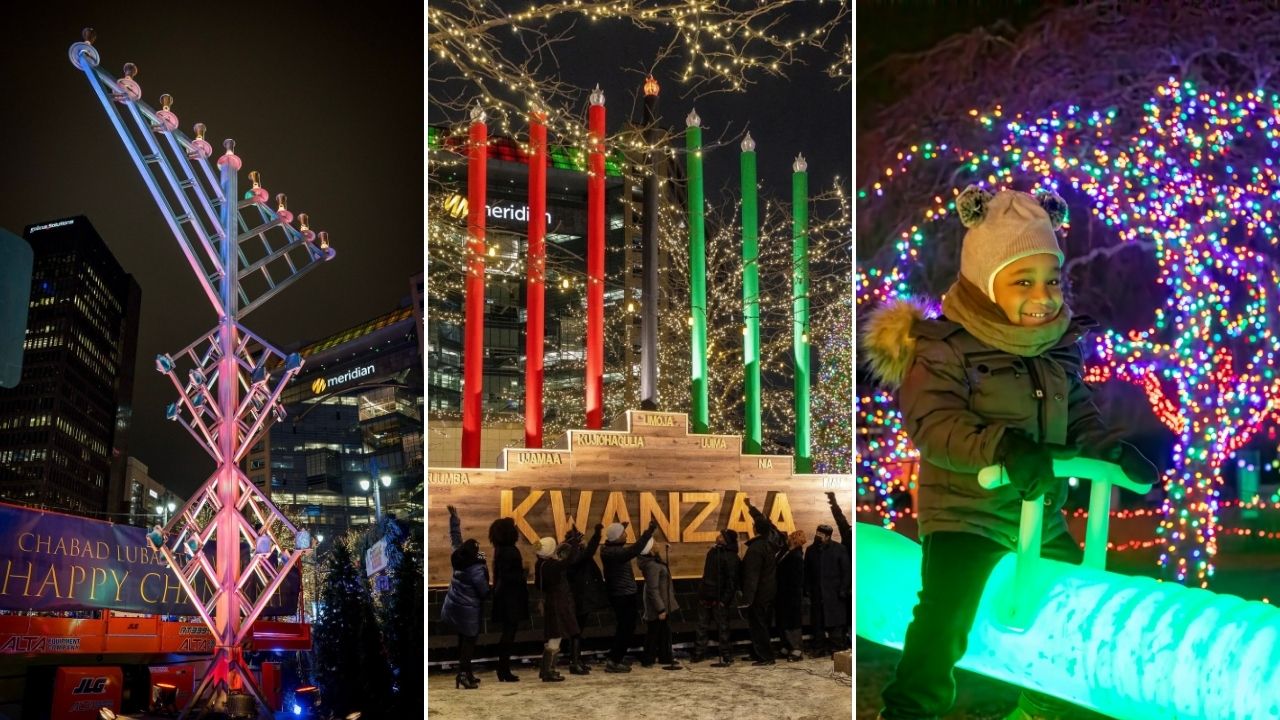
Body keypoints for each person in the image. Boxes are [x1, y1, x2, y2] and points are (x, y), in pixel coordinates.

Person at [864, 186, 1159, 720]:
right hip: (965, 515)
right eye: (1023, 281)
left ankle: (1040, 709)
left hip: (1039, 516)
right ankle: (911, 709)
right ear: (985, 281)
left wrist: (1110, 449)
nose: (1043, 296)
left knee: (1074, 613)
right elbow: (937, 425)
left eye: (1051, 280)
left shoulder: (1058, 346)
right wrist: (1003, 447)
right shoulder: (943, 347)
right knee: (945, 616)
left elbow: (1078, 415)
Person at [599, 517, 660, 673]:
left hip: (621, 594)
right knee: (626, 628)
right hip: (622, 595)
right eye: (624, 534)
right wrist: (648, 532)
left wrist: (621, 526)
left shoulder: (609, 549)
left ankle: (616, 656)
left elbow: (621, 543)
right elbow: (635, 549)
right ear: (618, 537)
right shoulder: (615, 553)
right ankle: (614, 661)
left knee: (624, 627)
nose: (626, 535)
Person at [441, 506, 488, 690]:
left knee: (462, 641)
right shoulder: (476, 568)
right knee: (469, 642)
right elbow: (483, 590)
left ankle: (466, 673)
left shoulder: (459, 557)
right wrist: (485, 567)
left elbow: (455, 538)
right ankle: (463, 675)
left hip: (454, 608)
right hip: (468, 610)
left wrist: (454, 520)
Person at [740, 498, 781, 666]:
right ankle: (761, 653)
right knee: (763, 625)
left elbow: (752, 576)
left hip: (758, 594)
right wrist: (751, 508)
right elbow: (768, 524)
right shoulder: (771, 544)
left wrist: (747, 599)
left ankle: (765, 656)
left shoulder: (756, 549)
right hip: (769, 591)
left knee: (759, 626)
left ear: (754, 529)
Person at [488, 517, 529, 682]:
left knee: (507, 633)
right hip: (512, 598)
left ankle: (503, 669)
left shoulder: (499, 549)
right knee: (509, 634)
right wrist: (523, 574)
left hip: (503, 597)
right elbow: (511, 576)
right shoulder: (511, 551)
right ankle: (504, 669)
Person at [691, 528, 740, 666]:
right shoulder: (712, 552)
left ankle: (726, 653)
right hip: (706, 594)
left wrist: (724, 600)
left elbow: (732, 581)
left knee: (723, 627)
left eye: (721, 536)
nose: (718, 537)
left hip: (720, 597)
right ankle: (699, 652)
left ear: (726, 539)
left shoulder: (731, 557)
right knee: (701, 626)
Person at [564, 521, 606, 674]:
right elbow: (590, 551)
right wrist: (597, 534)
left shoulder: (573, 557)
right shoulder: (575, 558)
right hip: (579, 599)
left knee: (578, 631)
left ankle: (576, 660)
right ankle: (575, 663)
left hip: (580, 598)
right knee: (576, 631)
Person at [533, 536, 577, 682]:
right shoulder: (551, 566)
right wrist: (574, 545)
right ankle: (548, 670)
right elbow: (569, 561)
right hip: (557, 602)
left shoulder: (540, 564)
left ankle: (546, 669)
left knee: (553, 634)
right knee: (555, 635)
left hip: (550, 602)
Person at [636, 537, 678, 667]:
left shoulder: (654, 562)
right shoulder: (652, 566)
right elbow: (652, 589)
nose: (658, 544)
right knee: (654, 632)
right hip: (658, 605)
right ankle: (648, 658)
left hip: (662, 602)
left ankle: (664, 656)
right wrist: (660, 609)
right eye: (655, 543)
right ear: (650, 548)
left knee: (663, 631)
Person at [776, 529, 806, 662]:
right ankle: (787, 645)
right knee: (785, 620)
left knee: (792, 621)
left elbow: (797, 578)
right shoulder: (788, 552)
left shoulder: (796, 556)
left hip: (791, 594)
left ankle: (796, 648)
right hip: (784, 593)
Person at [804, 523, 833, 656]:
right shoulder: (810, 550)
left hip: (831, 593)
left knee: (833, 622)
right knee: (817, 622)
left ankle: (835, 648)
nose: (817, 536)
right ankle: (818, 647)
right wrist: (807, 589)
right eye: (817, 533)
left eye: (820, 535)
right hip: (816, 592)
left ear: (827, 537)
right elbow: (807, 571)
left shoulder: (837, 549)